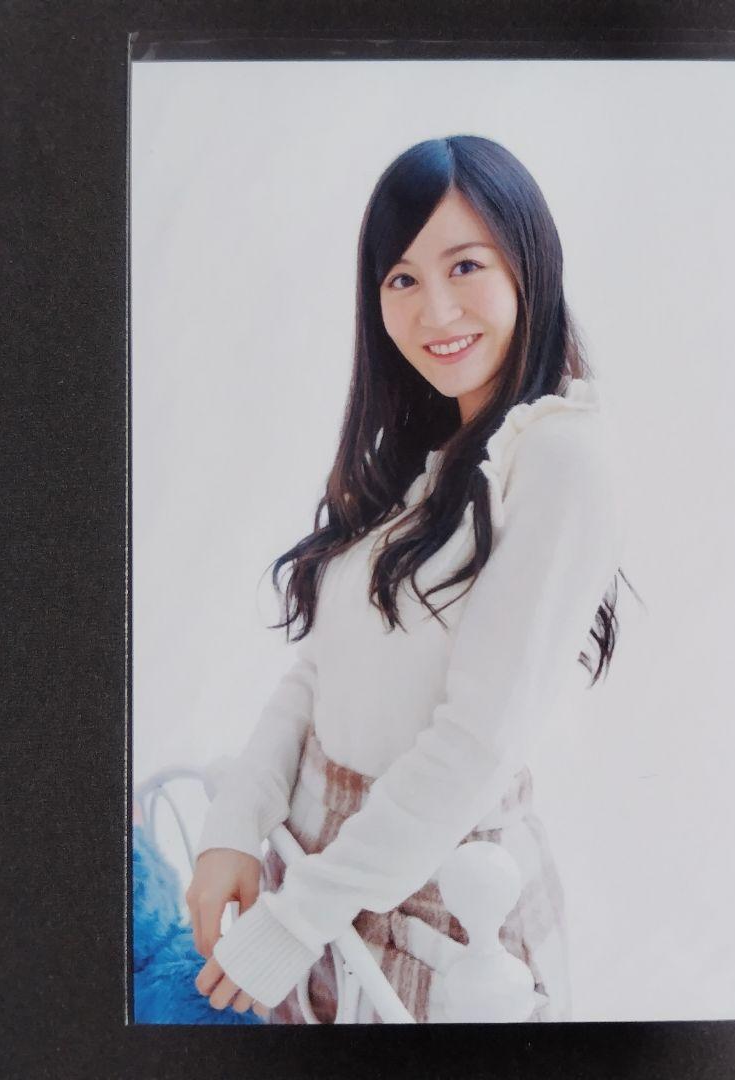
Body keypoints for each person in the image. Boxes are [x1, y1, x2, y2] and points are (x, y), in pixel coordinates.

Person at [186, 134, 626, 1023]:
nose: (436, 310)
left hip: (437, 909)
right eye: (402, 278)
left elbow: (475, 743)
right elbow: (318, 674)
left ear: (530, 264)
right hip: (320, 890)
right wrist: (235, 824)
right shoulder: (426, 461)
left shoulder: (559, 458)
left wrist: (298, 918)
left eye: (465, 265)